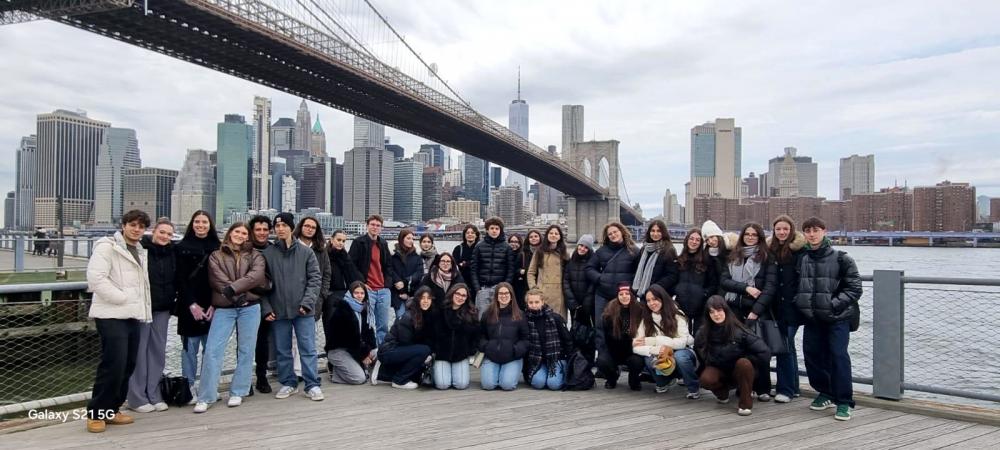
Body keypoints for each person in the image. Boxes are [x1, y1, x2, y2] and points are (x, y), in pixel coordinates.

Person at [84, 210, 152, 433]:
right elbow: (95, 279)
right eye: (132, 225)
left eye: (141, 226)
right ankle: (96, 413)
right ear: (123, 225)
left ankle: (112, 409)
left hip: (133, 314)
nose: (137, 229)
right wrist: (122, 298)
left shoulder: (140, 249)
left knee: (128, 364)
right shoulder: (107, 246)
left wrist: (137, 305)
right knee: (113, 364)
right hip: (112, 314)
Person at [193, 222, 267, 413]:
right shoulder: (216, 255)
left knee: (246, 350)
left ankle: (238, 391)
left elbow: (256, 276)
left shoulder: (255, 255)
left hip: (250, 308)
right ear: (230, 233)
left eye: (244, 233)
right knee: (212, 350)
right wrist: (238, 294)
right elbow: (217, 280)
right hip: (224, 308)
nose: (240, 235)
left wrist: (233, 289)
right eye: (237, 232)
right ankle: (206, 396)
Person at [795, 217, 862, 421]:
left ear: (824, 231)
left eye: (815, 230)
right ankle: (826, 392)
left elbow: (855, 288)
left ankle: (844, 401)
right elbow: (797, 285)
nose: (812, 234)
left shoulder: (842, 258)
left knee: (838, 357)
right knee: (812, 356)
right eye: (807, 230)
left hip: (837, 318)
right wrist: (800, 302)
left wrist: (832, 305)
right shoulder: (802, 258)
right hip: (812, 318)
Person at [261, 212, 324, 401]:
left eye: (284, 226)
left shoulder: (306, 252)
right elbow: (261, 285)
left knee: (308, 348)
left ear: (291, 227)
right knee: (282, 349)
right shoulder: (268, 254)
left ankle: (312, 384)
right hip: (278, 309)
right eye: (277, 226)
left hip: (303, 310)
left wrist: (307, 303)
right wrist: (266, 308)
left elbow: (315, 279)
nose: (280, 229)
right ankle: (288, 383)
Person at [720, 222, 778, 400]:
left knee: (760, 351)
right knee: (738, 350)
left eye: (754, 235)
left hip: (756, 311)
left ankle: (763, 388)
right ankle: (743, 386)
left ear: (759, 237)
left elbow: (770, 287)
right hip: (734, 310)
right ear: (742, 236)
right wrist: (745, 288)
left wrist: (756, 311)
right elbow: (724, 281)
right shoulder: (733, 256)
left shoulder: (767, 257)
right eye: (747, 234)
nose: (750, 237)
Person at [127, 218, 176, 413]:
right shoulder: (141, 250)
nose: (165, 236)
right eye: (162, 232)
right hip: (142, 307)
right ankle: (137, 398)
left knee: (157, 352)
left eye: (169, 234)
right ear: (153, 231)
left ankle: (155, 394)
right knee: (139, 352)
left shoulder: (173, 252)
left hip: (163, 308)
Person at [695, 295, 770, 416]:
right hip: (718, 368)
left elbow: (764, 352)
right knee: (705, 379)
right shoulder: (702, 332)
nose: (716, 315)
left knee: (744, 364)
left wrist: (751, 364)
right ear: (708, 314)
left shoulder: (741, 331)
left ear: (725, 310)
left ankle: (745, 404)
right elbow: (699, 350)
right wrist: (709, 360)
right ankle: (722, 393)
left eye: (719, 310)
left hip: (740, 370)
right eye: (712, 312)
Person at [174, 210, 220, 392]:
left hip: (212, 306)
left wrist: (214, 304)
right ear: (192, 224)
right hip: (188, 306)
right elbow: (179, 279)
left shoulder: (218, 247)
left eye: (204, 222)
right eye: (197, 222)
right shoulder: (181, 247)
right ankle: (189, 387)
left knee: (211, 350)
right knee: (188, 350)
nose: (200, 225)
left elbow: (221, 279)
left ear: (210, 225)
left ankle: (208, 387)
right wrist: (191, 304)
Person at [633, 285, 699, 398]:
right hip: (661, 353)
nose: (652, 303)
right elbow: (636, 345)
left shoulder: (677, 314)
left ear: (662, 298)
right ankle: (663, 383)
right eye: (648, 300)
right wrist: (657, 349)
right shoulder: (646, 317)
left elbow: (682, 342)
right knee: (649, 358)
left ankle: (693, 388)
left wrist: (654, 340)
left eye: (655, 299)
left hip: (681, 351)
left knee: (680, 357)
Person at [767, 215, 807, 403]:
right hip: (775, 307)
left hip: (792, 307)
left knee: (784, 346)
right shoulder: (770, 251)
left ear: (791, 230)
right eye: (778, 229)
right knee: (788, 347)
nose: (782, 232)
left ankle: (786, 389)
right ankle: (794, 386)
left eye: (785, 229)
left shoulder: (800, 251)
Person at [586, 222, 639, 352]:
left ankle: (625, 357)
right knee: (600, 325)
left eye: (615, 232)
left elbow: (639, 272)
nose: (613, 235)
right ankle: (603, 358)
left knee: (625, 326)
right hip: (602, 294)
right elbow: (589, 268)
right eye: (610, 234)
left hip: (624, 296)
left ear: (622, 231)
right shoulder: (601, 251)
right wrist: (600, 278)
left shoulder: (634, 250)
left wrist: (631, 286)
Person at [373, 287, 435, 389]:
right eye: (422, 298)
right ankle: (399, 380)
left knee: (417, 376)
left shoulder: (425, 314)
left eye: (428, 298)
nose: (426, 301)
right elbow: (405, 342)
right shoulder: (408, 316)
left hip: (399, 349)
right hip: (389, 350)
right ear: (417, 299)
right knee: (424, 351)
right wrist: (424, 355)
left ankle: (382, 373)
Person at [658, 228, 717, 334]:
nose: (694, 242)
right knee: (683, 335)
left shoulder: (707, 261)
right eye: (692, 238)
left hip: (701, 306)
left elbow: (713, 283)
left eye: (698, 240)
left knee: (700, 337)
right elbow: (672, 280)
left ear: (701, 243)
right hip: (681, 305)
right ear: (687, 240)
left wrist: (704, 293)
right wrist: (676, 291)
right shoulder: (678, 260)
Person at [349, 214, 395, 345]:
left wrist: (388, 283)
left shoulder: (383, 243)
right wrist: (362, 283)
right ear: (367, 226)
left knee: (383, 326)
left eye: (378, 225)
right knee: (366, 324)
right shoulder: (359, 242)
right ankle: (367, 353)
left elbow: (388, 265)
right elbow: (351, 264)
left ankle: (382, 354)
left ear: (381, 228)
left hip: (383, 290)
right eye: (372, 225)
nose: (375, 227)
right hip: (367, 290)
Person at [596, 283, 650, 390]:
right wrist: (630, 342)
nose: (624, 296)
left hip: (633, 351)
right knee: (602, 361)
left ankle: (634, 378)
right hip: (615, 349)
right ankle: (612, 378)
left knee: (637, 362)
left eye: (627, 294)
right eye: (621, 294)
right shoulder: (609, 312)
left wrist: (633, 344)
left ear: (632, 295)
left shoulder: (640, 310)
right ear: (617, 296)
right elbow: (610, 339)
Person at [324, 282, 377, 385]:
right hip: (340, 350)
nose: (359, 296)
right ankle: (334, 371)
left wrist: (371, 350)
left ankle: (362, 367)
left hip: (356, 349)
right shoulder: (342, 311)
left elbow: (369, 334)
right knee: (359, 378)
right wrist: (363, 355)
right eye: (356, 293)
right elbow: (350, 340)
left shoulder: (364, 310)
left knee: (380, 352)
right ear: (350, 294)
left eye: (362, 293)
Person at [478, 282, 528, 391]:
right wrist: (486, 346)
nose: (503, 296)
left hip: (512, 357)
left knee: (507, 385)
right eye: (500, 293)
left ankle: (506, 373)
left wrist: (516, 350)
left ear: (511, 296)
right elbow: (481, 335)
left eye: (506, 293)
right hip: (491, 356)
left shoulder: (520, 315)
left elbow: (526, 339)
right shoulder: (487, 314)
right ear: (496, 296)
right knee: (488, 385)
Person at [523, 289, 573, 390]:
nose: (534, 305)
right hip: (537, 359)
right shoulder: (525, 319)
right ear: (527, 304)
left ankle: (561, 373)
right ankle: (544, 374)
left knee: (553, 385)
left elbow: (567, 340)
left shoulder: (555, 318)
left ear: (542, 302)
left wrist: (569, 359)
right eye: (531, 302)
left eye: (537, 302)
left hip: (556, 358)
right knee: (538, 383)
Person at [431, 284, 479, 390]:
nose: (460, 297)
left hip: (460, 355)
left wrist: (471, 350)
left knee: (461, 384)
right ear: (452, 293)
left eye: (463, 295)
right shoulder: (440, 311)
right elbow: (432, 333)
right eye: (458, 294)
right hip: (442, 354)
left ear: (467, 298)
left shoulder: (471, 313)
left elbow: (476, 335)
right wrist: (434, 350)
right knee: (442, 385)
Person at [248, 215, 274, 394]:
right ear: (252, 231)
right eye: (258, 229)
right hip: (246, 302)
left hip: (267, 303)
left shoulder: (273, 250)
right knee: (245, 343)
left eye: (265, 230)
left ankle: (261, 376)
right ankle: (244, 380)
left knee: (263, 342)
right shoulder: (245, 250)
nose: (262, 233)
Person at [470, 217, 516, 319]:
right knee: (481, 317)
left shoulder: (507, 247)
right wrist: (477, 288)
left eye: (497, 228)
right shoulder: (479, 246)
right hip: (483, 288)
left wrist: (505, 286)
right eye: (492, 228)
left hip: (500, 288)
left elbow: (510, 270)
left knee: (500, 317)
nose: (494, 231)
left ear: (500, 230)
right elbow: (473, 269)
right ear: (487, 230)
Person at [528, 225, 568, 319]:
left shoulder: (564, 253)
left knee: (559, 323)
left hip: (560, 293)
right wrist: (534, 288)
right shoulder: (539, 252)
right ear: (547, 235)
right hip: (543, 292)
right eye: (551, 233)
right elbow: (531, 272)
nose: (553, 235)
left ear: (560, 237)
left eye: (556, 233)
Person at [294, 217, 331, 321]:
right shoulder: (291, 246)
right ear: (300, 227)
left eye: (313, 227)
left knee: (310, 336)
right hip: (291, 298)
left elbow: (327, 274)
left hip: (314, 300)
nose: (310, 229)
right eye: (307, 226)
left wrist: (322, 295)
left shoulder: (321, 250)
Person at [632, 220, 678, 299]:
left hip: (660, 294)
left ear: (663, 233)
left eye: (659, 231)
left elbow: (672, 276)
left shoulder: (669, 250)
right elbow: (637, 269)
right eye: (653, 231)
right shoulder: (644, 249)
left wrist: (654, 288)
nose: (655, 234)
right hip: (643, 294)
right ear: (649, 232)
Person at [563, 234, 596, 334]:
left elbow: (593, 284)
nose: (582, 249)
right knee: (575, 330)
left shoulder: (593, 262)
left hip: (588, 306)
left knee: (589, 331)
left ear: (589, 249)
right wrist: (572, 302)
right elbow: (566, 282)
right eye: (581, 245)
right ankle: (576, 349)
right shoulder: (570, 262)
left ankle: (589, 350)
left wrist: (587, 302)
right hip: (574, 305)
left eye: (586, 247)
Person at [390, 229, 425, 319]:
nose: (411, 241)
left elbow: (419, 272)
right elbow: (390, 269)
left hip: (412, 292)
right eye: (408, 238)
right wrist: (397, 281)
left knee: (413, 319)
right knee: (401, 317)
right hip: (397, 293)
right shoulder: (393, 255)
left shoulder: (416, 255)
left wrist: (405, 281)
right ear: (402, 239)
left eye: (412, 238)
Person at [508, 233, 530, 309]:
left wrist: (519, 271)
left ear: (520, 243)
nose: (514, 244)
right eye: (512, 242)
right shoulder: (506, 254)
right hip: (508, 285)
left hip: (520, 286)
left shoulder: (523, 254)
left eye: (516, 242)